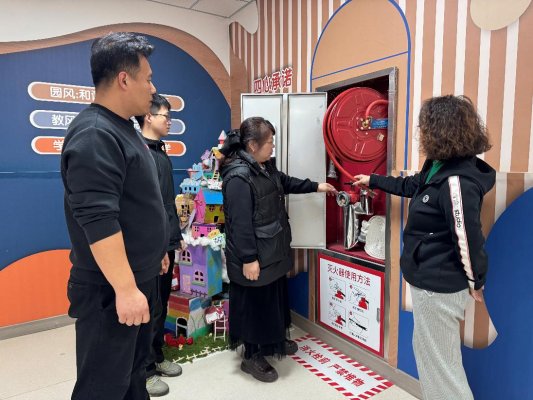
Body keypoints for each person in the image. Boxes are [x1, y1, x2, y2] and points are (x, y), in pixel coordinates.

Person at [353, 95, 494, 400]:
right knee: (431, 358)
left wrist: (476, 281)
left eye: (424, 126)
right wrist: (373, 180)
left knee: (442, 369)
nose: (421, 133)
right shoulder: (438, 166)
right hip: (427, 280)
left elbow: (468, 237)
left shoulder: (457, 181)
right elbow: (412, 186)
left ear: (441, 129)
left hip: (438, 285)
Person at [61, 32, 169, 400]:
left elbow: (136, 205)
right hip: (110, 290)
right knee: (103, 387)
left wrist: (155, 253)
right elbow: (99, 220)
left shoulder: (123, 127)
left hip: (137, 279)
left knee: (133, 376)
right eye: (148, 78)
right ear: (124, 79)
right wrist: (125, 288)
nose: (153, 88)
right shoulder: (95, 134)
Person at [220, 117, 337, 383]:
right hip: (254, 256)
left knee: (271, 299)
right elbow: (239, 225)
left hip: (271, 250)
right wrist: (249, 259)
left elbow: (285, 182)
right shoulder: (238, 177)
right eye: (270, 142)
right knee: (254, 305)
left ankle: (272, 341)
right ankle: (251, 356)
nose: (273, 147)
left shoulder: (265, 167)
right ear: (252, 145)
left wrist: (316, 186)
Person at [136, 94, 186, 397]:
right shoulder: (139, 152)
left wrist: (175, 237)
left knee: (161, 304)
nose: (169, 122)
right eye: (166, 116)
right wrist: (155, 249)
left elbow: (166, 204)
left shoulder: (160, 151)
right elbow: (144, 209)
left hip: (166, 241)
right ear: (148, 116)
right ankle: (145, 371)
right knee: (149, 307)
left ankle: (156, 356)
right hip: (150, 247)